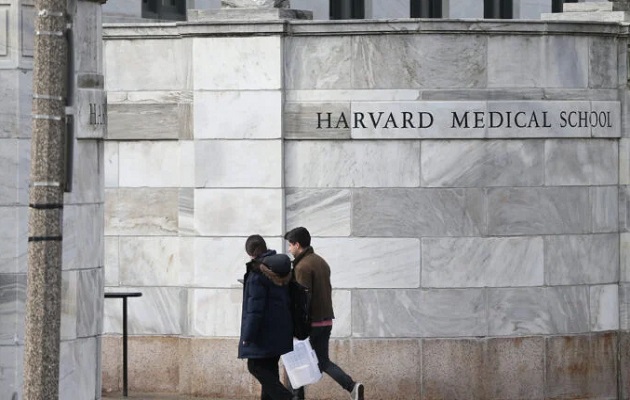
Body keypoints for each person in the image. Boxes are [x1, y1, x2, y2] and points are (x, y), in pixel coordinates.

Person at [284, 227, 364, 400]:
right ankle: (352, 386)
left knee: (295, 361)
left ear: (297, 245)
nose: (289, 249)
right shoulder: (321, 262)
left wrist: (297, 327)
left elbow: (302, 300)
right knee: (323, 361)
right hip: (326, 321)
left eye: (290, 245)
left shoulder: (302, 267)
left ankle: (295, 397)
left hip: (310, 323)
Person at [239, 234, 294, 400]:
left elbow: (255, 310)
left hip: (263, 334)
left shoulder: (257, 274)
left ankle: (287, 398)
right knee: (269, 371)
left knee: (254, 366)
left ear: (250, 253)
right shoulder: (281, 269)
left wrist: (247, 337)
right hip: (280, 331)